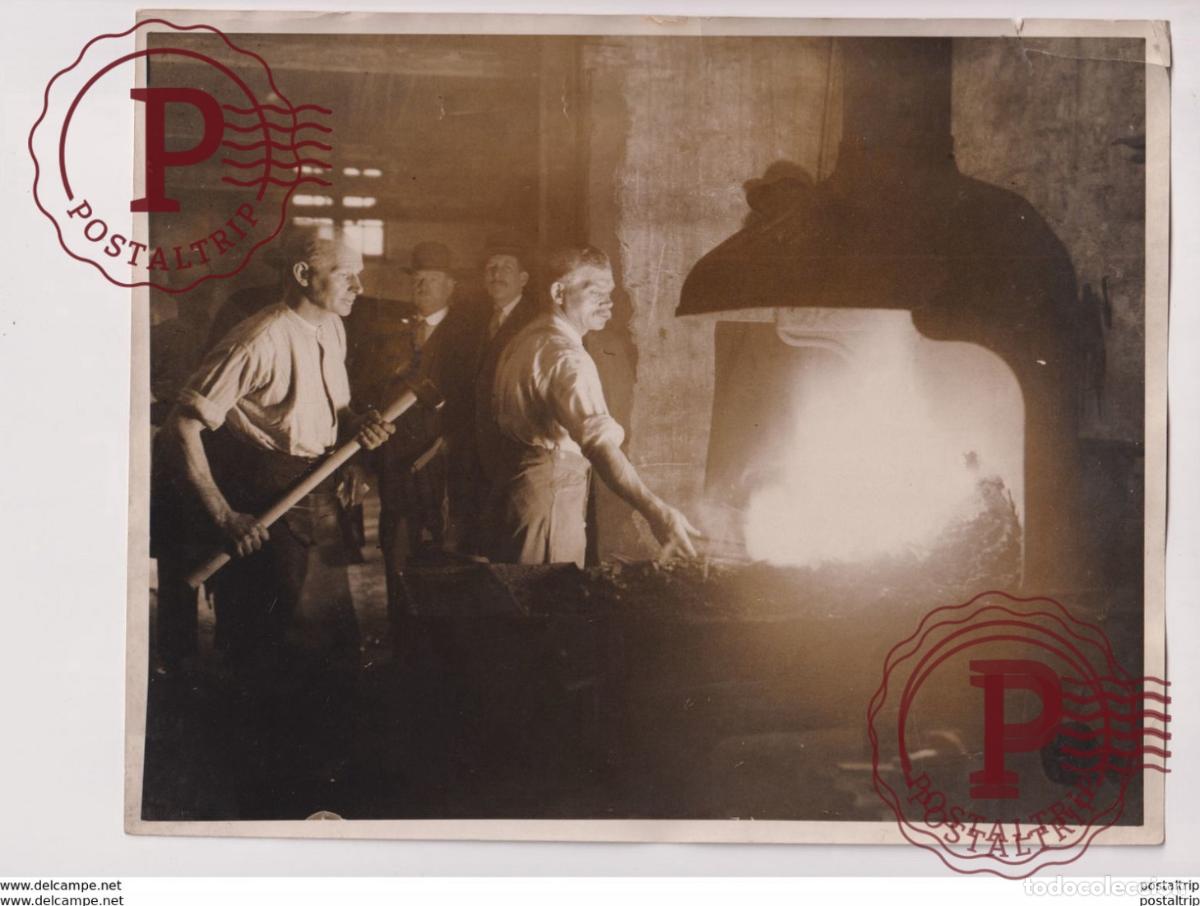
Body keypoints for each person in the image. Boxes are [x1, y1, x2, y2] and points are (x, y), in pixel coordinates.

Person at [157, 227, 393, 817]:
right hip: (266, 506)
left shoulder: (331, 328)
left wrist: (356, 427)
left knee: (324, 647)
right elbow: (182, 425)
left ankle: (312, 786)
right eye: (345, 273)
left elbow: (326, 412)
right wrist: (224, 514)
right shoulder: (259, 337)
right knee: (267, 654)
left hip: (315, 497)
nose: (359, 286)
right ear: (303, 275)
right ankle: (255, 800)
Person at [489, 246, 700, 566]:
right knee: (549, 602)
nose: (608, 302)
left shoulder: (527, 338)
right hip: (552, 500)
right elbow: (600, 446)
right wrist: (657, 512)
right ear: (559, 292)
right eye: (595, 291)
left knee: (524, 602)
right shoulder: (565, 356)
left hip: (524, 498)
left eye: (610, 292)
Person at [371, 241, 460, 620]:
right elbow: (371, 394)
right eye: (417, 280)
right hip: (395, 464)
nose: (422, 287)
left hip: (443, 464)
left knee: (442, 553)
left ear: (450, 286)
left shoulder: (465, 338)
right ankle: (399, 634)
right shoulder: (392, 336)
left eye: (432, 280)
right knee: (394, 548)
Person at [448, 240, 540, 553]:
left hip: (513, 452)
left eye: (506, 268)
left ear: (523, 279)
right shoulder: (474, 321)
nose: (496, 274)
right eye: (491, 268)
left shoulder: (535, 322)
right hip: (474, 454)